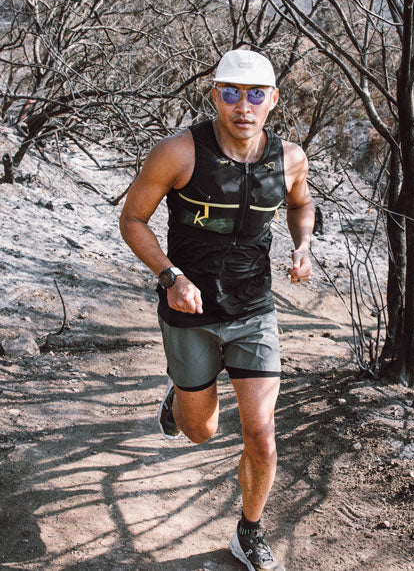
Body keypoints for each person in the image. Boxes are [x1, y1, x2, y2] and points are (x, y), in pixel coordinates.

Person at [119, 48, 314, 571]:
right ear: (215, 97)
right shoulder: (178, 153)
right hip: (189, 310)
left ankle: (247, 533)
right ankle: (179, 395)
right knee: (200, 431)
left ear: (273, 100)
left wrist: (303, 246)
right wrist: (170, 276)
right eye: (230, 92)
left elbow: (300, 203)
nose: (242, 106)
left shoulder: (289, 158)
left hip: (254, 309)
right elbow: (132, 220)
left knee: (262, 436)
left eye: (255, 95)